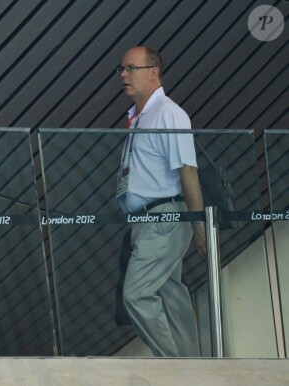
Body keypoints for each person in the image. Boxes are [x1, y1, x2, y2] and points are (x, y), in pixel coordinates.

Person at [115, 46, 206, 357]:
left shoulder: (168, 113)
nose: (123, 75)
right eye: (122, 69)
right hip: (146, 220)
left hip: (163, 216)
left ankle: (174, 366)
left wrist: (198, 225)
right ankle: (191, 366)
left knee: (137, 294)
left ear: (153, 73)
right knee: (169, 293)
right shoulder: (139, 116)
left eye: (131, 68)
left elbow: (188, 171)